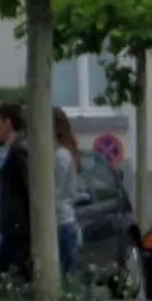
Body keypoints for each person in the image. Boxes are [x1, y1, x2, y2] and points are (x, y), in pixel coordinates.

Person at [0, 101, 30, 281]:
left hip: (18, 230)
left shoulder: (19, 149)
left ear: (8, 123)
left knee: (9, 274)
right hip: (15, 228)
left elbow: (28, 186)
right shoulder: (16, 148)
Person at [53, 106, 81, 279]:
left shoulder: (60, 156)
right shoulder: (65, 153)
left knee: (66, 276)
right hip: (66, 221)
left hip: (61, 222)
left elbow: (54, 191)